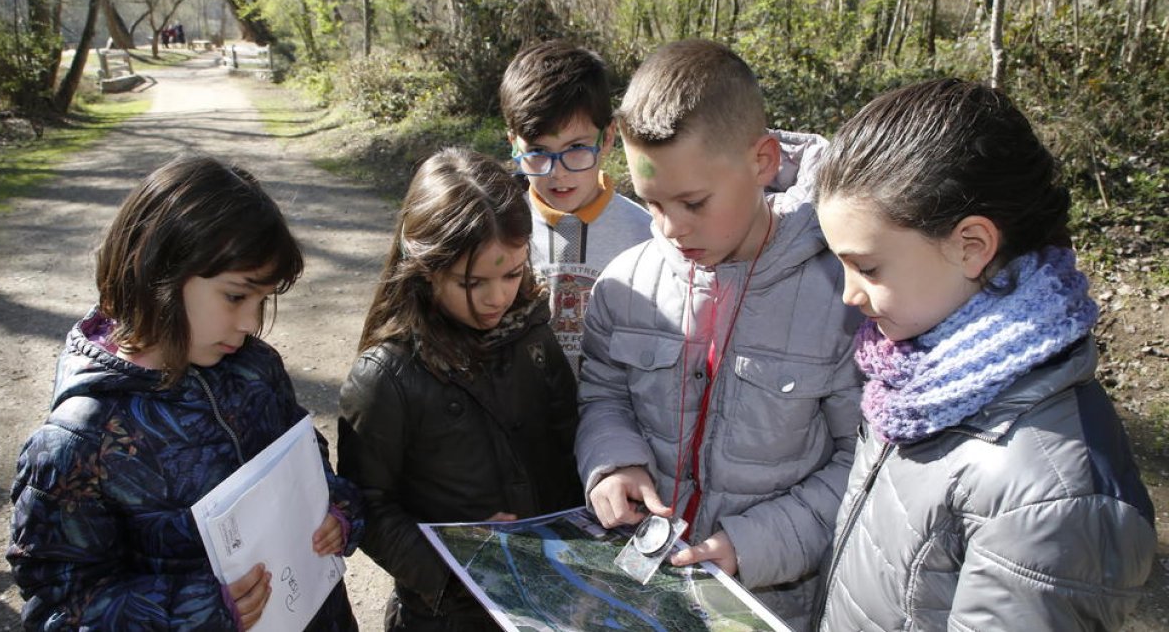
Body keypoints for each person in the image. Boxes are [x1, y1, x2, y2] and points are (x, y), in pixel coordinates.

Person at [811, 78, 1156, 631]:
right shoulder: (913, 383)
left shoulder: (1051, 499)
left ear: (971, 246)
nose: (849, 294)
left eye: (867, 268)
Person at [7, 156, 365, 631]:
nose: (250, 323)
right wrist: (201, 610)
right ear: (156, 272)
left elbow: (307, 459)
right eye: (236, 296)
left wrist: (336, 509)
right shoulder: (80, 442)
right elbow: (61, 605)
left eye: (262, 300)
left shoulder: (255, 368)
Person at [574, 39, 862, 629]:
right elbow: (603, 396)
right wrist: (613, 463)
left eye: (693, 202)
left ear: (762, 161)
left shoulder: (845, 297)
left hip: (770, 603)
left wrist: (754, 544)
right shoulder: (624, 285)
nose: (670, 228)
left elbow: (861, 463)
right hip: (641, 595)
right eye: (651, 203)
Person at [338, 148, 582, 631]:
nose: (498, 297)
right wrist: (453, 567)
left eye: (513, 273)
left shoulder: (532, 333)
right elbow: (366, 502)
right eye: (473, 283)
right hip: (449, 615)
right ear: (425, 266)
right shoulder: (386, 376)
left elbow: (569, 440)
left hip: (549, 595)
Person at [500, 39, 652, 372]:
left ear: (607, 138)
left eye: (576, 148)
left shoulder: (645, 236)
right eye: (537, 152)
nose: (558, 172)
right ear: (514, 144)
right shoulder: (501, 229)